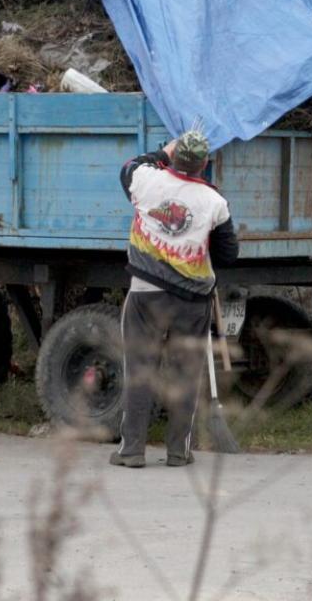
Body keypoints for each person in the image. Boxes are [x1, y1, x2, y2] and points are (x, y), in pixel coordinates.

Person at [111, 130, 238, 468]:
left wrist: (162, 152)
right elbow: (228, 255)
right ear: (205, 164)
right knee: (185, 373)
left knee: (139, 369)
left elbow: (130, 165)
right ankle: (178, 451)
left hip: (145, 295)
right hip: (192, 302)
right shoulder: (215, 202)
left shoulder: (145, 181)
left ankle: (132, 451)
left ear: (173, 157)